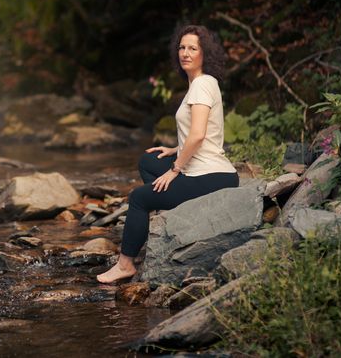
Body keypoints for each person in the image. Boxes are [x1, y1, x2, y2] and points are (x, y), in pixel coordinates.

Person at [97, 24, 240, 284]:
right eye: (182, 47)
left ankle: (125, 264)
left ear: (205, 53)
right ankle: (165, 217)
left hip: (212, 176)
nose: (185, 53)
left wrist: (175, 170)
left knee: (138, 198)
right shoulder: (202, 83)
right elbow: (204, 132)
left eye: (193, 48)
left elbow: (198, 135)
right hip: (208, 170)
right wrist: (174, 149)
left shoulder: (202, 85)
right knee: (149, 160)